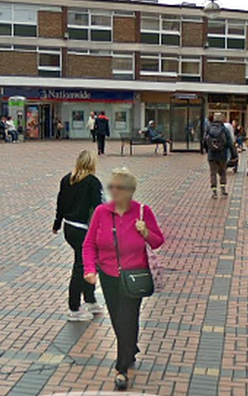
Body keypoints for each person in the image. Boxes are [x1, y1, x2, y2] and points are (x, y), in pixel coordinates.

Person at [83, 168, 165, 391]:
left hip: (134, 277)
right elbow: (89, 244)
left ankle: (121, 369)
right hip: (109, 276)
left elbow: (158, 241)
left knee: (127, 319)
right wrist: (90, 269)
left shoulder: (142, 212)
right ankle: (130, 348)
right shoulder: (101, 212)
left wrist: (146, 231)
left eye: (120, 187)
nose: (114, 191)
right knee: (119, 320)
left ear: (130, 190)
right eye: (113, 187)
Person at [53, 151, 105, 322]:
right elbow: (99, 208)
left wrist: (57, 223)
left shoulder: (67, 179)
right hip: (83, 229)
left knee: (88, 263)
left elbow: (60, 203)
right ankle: (74, 307)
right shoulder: (92, 182)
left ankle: (89, 300)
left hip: (70, 227)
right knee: (81, 266)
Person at [204, 113, 235, 199]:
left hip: (212, 155)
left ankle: (214, 191)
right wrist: (234, 155)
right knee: (222, 172)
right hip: (222, 155)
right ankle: (223, 189)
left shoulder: (209, 128)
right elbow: (230, 143)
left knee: (213, 173)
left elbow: (204, 141)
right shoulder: (224, 130)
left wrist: (208, 150)